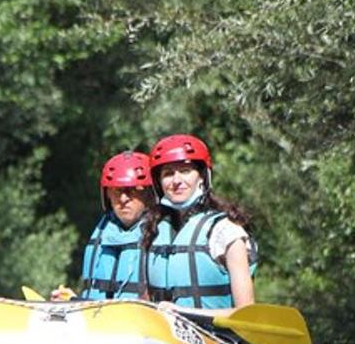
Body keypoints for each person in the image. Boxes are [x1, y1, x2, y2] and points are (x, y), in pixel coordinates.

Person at [141, 134, 257, 315]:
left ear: (202, 176)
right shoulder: (154, 230)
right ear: (159, 184)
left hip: (217, 337)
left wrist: (184, 313)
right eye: (168, 173)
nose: (176, 180)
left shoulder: (226, 231)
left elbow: (247, 312)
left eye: (185, 171)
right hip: (164, 335)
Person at [55, 151, 154, 301]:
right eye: (116, 191)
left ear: (149, 194)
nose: (123, 199)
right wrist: (73, 300)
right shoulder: (103, 232)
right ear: (106, 195)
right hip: (99, 320)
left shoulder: (162, 236)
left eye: (133, 190)